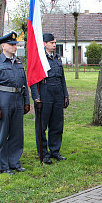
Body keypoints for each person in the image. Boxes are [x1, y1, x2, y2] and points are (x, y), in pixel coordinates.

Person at [0, 31, 30, 175]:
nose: (14, 47)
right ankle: (3, 166)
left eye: (15, 44)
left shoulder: (18, 63)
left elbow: (24, 83)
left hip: (17, 99)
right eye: (11, 44)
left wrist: (26, 101)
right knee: (2, 134)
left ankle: (14, 162)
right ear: (3, 46)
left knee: (17, 134)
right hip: (3, 100)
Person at [30, 33, 69, 164]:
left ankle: (55, 151)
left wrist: (65, 95)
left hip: (57, 91)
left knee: (57, 124)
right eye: (51, 43)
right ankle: (43, 153)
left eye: (54, 42)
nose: (54, 45)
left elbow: (62, 78)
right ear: (45, 43)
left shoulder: (57, 58)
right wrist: (36, 98)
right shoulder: (39, 59)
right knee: (42, 125)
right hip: (45, 91)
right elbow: (33, 80)